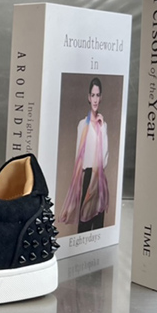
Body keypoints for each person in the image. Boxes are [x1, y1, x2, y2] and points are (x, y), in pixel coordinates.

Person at [59, 77, 109, 232]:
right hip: (87, 176)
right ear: (89, 97)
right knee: (85, 223)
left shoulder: (103, 125)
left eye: (98, 95)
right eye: (93, 95)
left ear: (101, 97)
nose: (95, 99)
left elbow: (104, 158)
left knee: (98, 221)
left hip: (99, 178)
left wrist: (102, 128)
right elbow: (78, 157)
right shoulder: (82, 124)